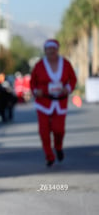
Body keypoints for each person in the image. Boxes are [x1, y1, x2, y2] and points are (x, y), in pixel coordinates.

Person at [30, 39, 77, 167]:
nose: (51, 51)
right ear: (45, 51)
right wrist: (35, 91)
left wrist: (67, 88)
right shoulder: (39, 65)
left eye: (53, 49)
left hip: (60, 102)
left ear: (57, 50)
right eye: (48, 49)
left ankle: (58, 147)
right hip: (43, 102)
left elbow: (72, 79)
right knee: (44, 131)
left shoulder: (66, 64)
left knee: (59, 130)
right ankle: (49, 156)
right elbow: (32, 82)